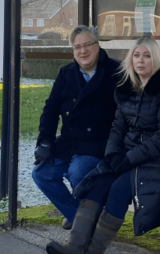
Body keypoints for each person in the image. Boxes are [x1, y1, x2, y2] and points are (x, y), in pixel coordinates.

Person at [45, 36, 160, 254]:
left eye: (147, 56)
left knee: (119, 188)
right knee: (99, 181)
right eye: (136, 55)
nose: (141, 61)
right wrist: (113, 153)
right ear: (131, 60)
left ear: (156, 60)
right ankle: (74, 247)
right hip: (132, 156)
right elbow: (118, 126)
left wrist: (129, 158)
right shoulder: (127, 89)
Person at [32, 25, 120, 230]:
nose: (83, 51)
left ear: (97, 46)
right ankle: (79, 215)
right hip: (70, 141)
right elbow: (50, 110)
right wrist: (45, 141)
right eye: (77, 47)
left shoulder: (115, 73)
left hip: (100, 142)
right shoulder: (66, 73)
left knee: (77, 171)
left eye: (88, 45)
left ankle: (81, 223)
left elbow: (124, 116)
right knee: (41, 174)